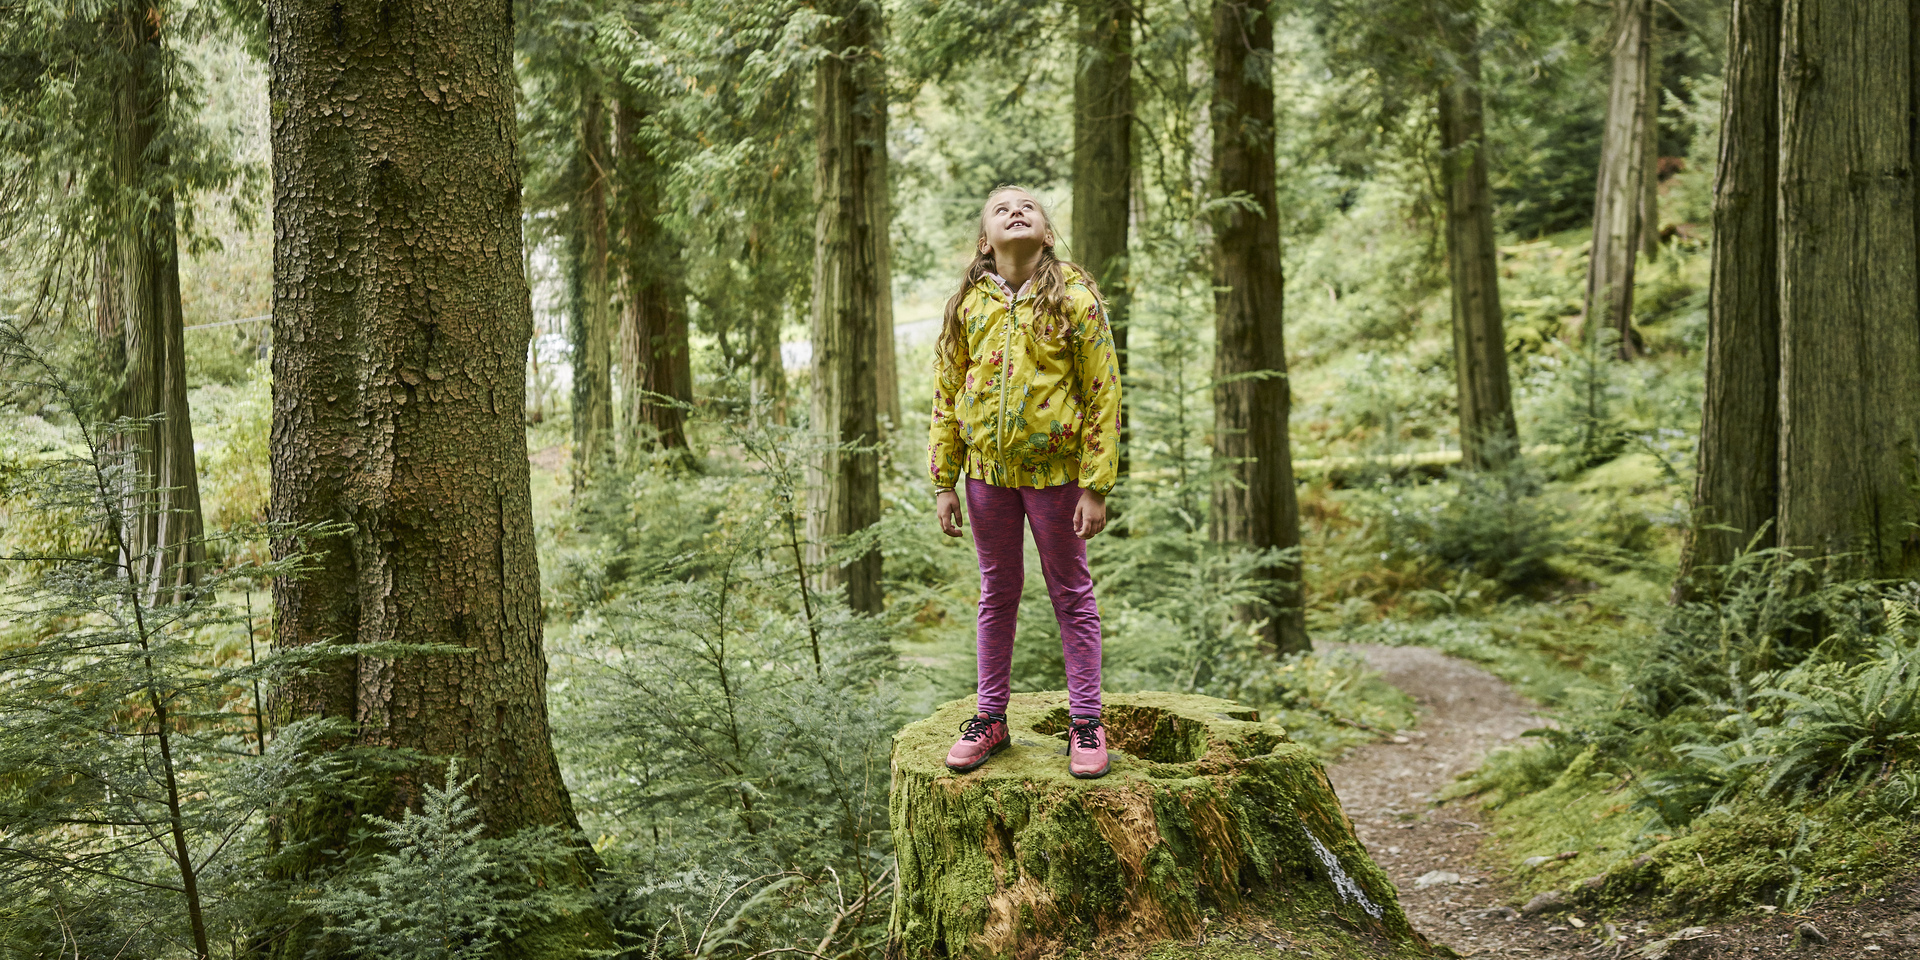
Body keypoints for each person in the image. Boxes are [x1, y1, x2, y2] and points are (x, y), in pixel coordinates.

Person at [927, 185, 1122, 779]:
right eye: (1002, 208)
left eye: (1029, 207)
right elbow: (946, 393)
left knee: (1071, 592)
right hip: (988, 477)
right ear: (985, 240)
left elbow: (1102, 391)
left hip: (1058, 477)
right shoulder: (968, 304)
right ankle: (991, 718)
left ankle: (1085, 722)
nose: (1017, 211)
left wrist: (1095, 484)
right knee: (997, 593)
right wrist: (944, 480)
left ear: (1047, 233)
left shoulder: (1077, 299)